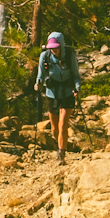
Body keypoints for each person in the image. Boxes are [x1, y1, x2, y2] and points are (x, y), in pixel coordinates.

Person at [33, 31, 80, 164]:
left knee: (63, 124)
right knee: (54, 128)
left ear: (61, 46)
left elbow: (76, 75)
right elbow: (40, 75)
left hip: (67, 93)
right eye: (51, 48)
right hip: (51, 94)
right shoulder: (45, 56)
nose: (53, 50)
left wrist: (77, 88)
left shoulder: (69, 56)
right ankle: (60, 144)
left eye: (56, 47)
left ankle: (61, 153)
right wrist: (38, 83)